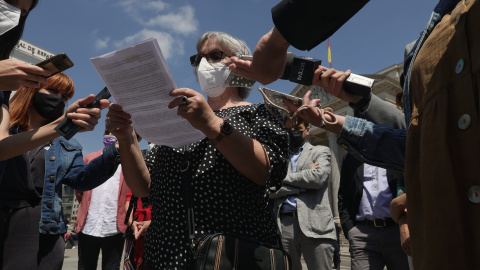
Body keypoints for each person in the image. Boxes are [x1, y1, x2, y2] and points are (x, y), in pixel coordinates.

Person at [107, 31, 289, 269]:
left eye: (215, 55)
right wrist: (127, 138)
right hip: (163, 256)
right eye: (197, 58)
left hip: (230, 256)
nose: (203, 64)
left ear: (241, 63)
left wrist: (211, 124)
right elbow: (143, 187)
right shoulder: (179, 118)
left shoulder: (260, 113)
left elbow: (267, 172)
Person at [0, 73, 117, 269]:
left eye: (64, 97)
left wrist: (115, 151)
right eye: (52, 91)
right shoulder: (5, 128)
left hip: (45, 232)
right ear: (31, 89)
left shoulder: (67, 144)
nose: (58, 99)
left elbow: (81, 179)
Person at [269, 120, 336, 270]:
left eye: (298, 128)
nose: (294, 132)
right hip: (285, 224)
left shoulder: (320, 151)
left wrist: (283, 179)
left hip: (315, 222)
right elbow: (271, 189)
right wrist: (303, 185)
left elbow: (318, 178)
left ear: (307, 130)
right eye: (290, 129)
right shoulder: (279, 156)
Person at [75, 131, 136, 270]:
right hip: (88, 226)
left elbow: (132, 194)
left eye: (115, 132)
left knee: (112, 267)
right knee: (85, 266)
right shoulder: (89, 159)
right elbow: (79, 190)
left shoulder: (128, 163)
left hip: (114, 228)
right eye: (108, 132)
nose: (111, 135)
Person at [124, 190, 152, 270]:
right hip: (133, 234)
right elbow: (129, 198)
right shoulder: (137, 179)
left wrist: (151, 224)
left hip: (155, 237)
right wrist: (131, 222)